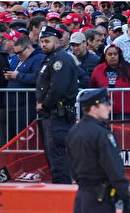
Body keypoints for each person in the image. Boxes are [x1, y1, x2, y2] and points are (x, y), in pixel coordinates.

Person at [66, 88, 130, 213]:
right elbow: (114, 168)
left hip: (82, 197)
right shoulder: (103, 134)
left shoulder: (74, 131)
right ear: (93, 108)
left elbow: (71, 165)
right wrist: (125, 198)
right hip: (100, 200)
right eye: (105, 105)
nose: (110, 108)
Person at [35, 25, 78, 183]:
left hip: (58, 115)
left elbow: (57, 88)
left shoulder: (60, 59)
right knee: (54, 157)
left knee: (58, 157)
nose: (43, 44)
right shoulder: (50, 58)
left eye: (47, 41)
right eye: (41, 41)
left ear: (57, 41)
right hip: (51, 115)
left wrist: (44, 104)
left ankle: (62, 193)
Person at [89, 43, 130, 120]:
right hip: (103, 111)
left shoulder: (129, 68)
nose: (113, 56)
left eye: (115, 54)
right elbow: (92, 88)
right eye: (110, 54)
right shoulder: (98, 69)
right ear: (105, 56)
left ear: (119, 55)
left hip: (124, 111)